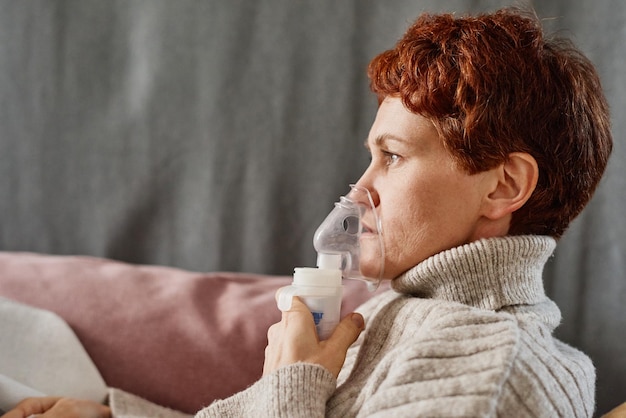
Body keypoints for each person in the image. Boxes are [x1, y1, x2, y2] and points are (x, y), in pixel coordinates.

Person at [2, 6, 613, 418]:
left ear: (504, 184)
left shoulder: (488, 365)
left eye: (393, 157)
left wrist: (290, 385)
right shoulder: (402, 318)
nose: (361, 187)